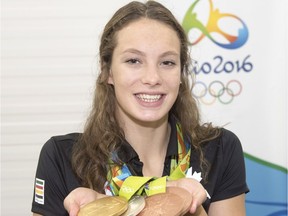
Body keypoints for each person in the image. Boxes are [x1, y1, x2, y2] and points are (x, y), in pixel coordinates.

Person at [31, 1, 249, 216]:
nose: (152, 78)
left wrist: (193, 210)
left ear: (181, 73)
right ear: (107, 71)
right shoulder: (62, 157)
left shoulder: (219, 149)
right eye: (134, 61)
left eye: (167, 62)